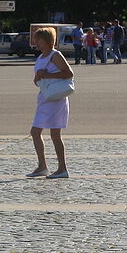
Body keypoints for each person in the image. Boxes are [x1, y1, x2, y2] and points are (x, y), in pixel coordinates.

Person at [29, 25, 73, 179]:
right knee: (36, 132)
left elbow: (69, 73)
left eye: (38, 40)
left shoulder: (55, 55)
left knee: (54, 134)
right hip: (45, 97)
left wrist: (47, 75)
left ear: (48, 41)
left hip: (56, 99)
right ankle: (42, 166)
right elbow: (38, 81)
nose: (36, 43)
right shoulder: (41, 57)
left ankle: (62, 168)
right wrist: (37, 78)